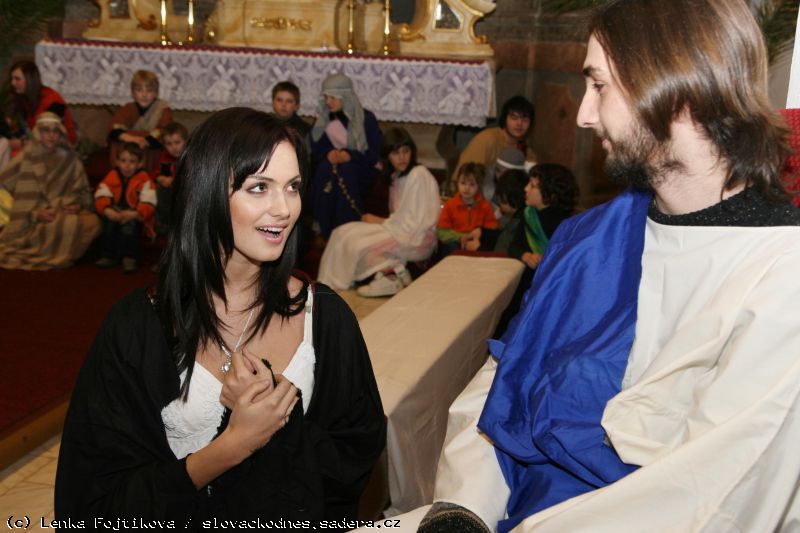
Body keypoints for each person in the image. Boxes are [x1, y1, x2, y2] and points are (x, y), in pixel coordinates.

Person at [410, 0, 800, 531]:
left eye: (599, 85)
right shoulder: (587, 238)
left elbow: (712, 495)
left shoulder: (779, 276)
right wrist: (465, 507)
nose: (583, 115)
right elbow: (504, 379)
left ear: (676, 90)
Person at [55, 107, 386, 526]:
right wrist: (234, 445)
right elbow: (95, 499)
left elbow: (352, 463)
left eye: (293, 187)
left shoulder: (325, 319)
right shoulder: (139, 326)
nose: (284, 209)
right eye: (259, 187)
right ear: (207, 191)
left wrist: (281, 422)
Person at [317, 127, 440, 297]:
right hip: (399, 230)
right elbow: (400, 218)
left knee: (357, 244)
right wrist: (380, 222)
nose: (402, 157)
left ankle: (392, 275)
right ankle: (327, 286)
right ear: (387, 156)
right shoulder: (397, 176)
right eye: (396, 153)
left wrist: (378, 221)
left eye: (406, 151)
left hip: (418, 239)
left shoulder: (418, 175)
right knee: (341, 232)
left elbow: (414, 224)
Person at [0, 112, 99, 269]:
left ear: (61, 134)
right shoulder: (26, 157)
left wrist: (77, 205)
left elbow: (84, 193)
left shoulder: (70, 159)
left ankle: (50, 251)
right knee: (56, 226)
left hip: (62, 210)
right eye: (46, 130)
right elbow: (10, 188)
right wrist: (35, 213)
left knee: (91, 223)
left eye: (55, 131)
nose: (51, 135)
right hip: (32, 215)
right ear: (38, 133)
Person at [310, 73, 382, 239]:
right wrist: (328, 154)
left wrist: (350, 155)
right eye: (326, 97)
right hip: (332, 167)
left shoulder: (366, 119)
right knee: (325, 168)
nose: (328, 102)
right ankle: (324, 227)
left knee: (347, 170)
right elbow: (316, 149)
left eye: (333, 97)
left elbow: (374, 153)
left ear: (346, 96)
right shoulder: (323, 119)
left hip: (361, 167)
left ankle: (348, 228)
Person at [94, 142, 157, 273]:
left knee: (130, 227)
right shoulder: (112, 175)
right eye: (123, 161)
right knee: (109, 224)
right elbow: (102, 193)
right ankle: (109, 255)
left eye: (132, 161)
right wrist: (107, 209)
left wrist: (136, 213)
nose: (127, 165)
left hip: (136, 214)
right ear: (117, 162)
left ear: (139, 163)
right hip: (115, 210)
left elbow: (149, 199)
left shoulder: (144, 178)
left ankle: (130, 257)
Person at [1, 60, 78, 167]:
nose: (13, 83)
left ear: (30, 80)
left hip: (59, 148)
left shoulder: (52, 100)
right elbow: (25, 131)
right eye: (12, 79)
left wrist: (22, 143)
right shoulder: (25, 99)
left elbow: (53, 138)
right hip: (37, 144)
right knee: (4, 143)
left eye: (17, 79)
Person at [108, 70, 173, 169]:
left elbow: (163, 130)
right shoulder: (128, 108)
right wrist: (133, 139)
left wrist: (143, 140)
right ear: (133, 93)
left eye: (149, 91)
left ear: (156, 93)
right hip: (128, 150)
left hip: (150, 152)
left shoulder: (163, 109)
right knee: (117, 140)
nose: (144, 94)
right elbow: (115, 129)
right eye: (139, 90)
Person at [456, 96, 536, 173]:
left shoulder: (527, 151)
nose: (519, 123)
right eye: (514, 118)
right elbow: (464, 176)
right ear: (504, 119)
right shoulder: (487, 139)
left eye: (525, 120)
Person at [437, 162, 498, 256]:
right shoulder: (450, 205)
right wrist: (460, 237)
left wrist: (477, 238)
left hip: (475, 245)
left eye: (472, 185)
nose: (467, 188)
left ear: (479, 186)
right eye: (463, 183)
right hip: (455, 244)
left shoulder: (485, 207)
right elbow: (442, 232)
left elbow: (492, 231)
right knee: (452, 247)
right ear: (457, 183)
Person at [151, 121, 188, 233]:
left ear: (185, 141)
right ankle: (164, 223)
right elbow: (155, 172)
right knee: (159, 187)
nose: (174, 147)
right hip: (168, 193)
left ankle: (183, 223)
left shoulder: (189, 156)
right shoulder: (164, 156)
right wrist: (160, 178)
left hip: (185, 191)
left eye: (177, 142)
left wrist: (175, 180)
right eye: (169, 144)